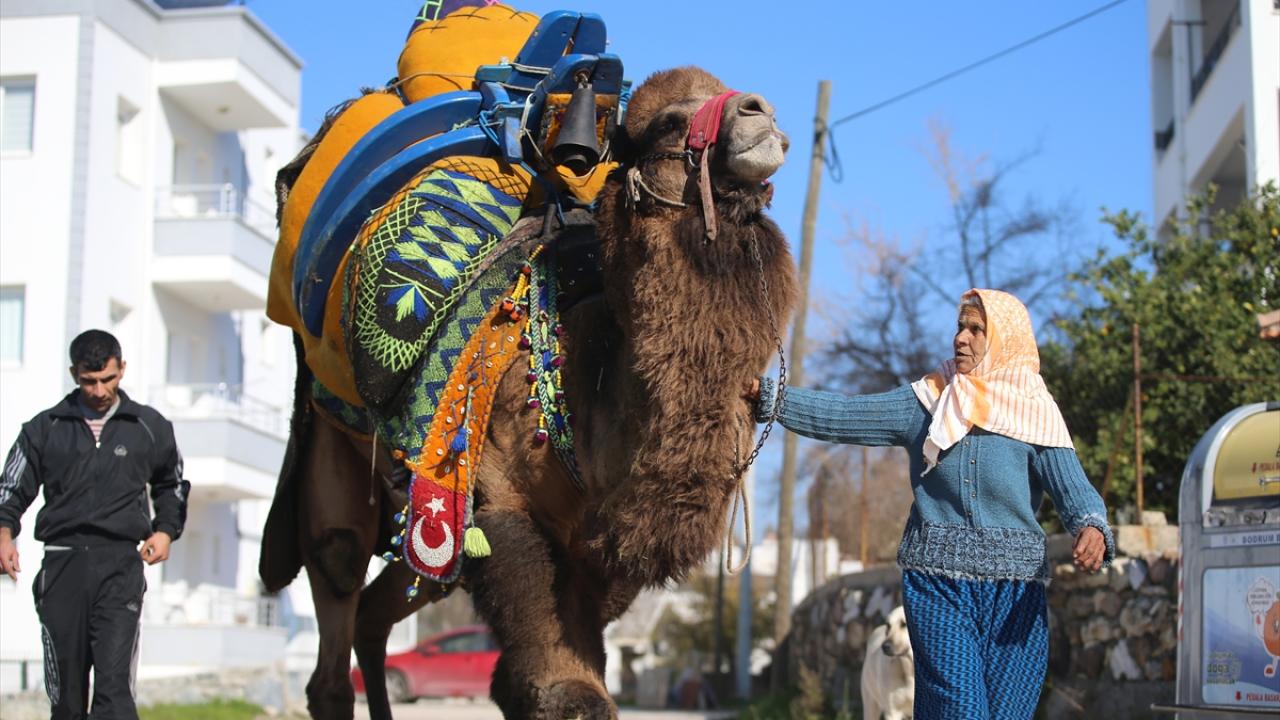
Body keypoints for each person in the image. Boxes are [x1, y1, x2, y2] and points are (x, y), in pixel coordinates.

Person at [749, 289, 1113, 720]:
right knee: (960, 711)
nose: (961, 338)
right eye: (960, 326)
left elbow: (1076, 492)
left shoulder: (1037, 412)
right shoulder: (927, 401)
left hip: (1016, 594)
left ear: (1003, 340)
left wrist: (1092, 527)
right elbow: (844, 414)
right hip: (938, 586)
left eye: (976, 329)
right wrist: (767, 396)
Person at [0, 330, 189, 720]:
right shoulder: (44, 428)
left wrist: (165, 530)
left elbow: (172, 483)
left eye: (108, 378)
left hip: (121, 567)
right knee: (67, 699)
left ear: (122, 369)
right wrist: (4, 533)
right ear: (74, 374)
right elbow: (11, 488)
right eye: (89, 381)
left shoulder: (149, 426)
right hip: (62, 567)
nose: (99, 390)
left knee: (115, 693)